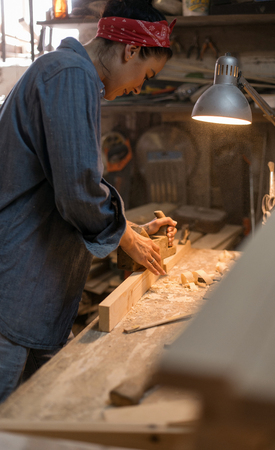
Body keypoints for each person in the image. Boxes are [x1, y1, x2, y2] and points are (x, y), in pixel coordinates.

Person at [0, 0, 177, 403]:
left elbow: (68, 182)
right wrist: (125, 240)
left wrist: (127, 230)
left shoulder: (71, 76)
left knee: (35, 422)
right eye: (145, 75)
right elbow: (79, 191)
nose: (139, 87)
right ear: (130, 51)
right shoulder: (69, 75)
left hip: (36, 293)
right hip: (13, 292)